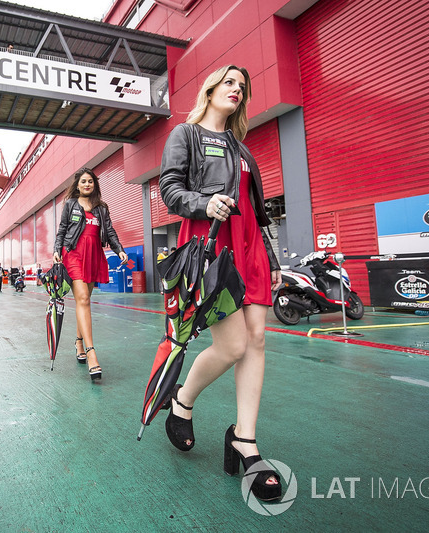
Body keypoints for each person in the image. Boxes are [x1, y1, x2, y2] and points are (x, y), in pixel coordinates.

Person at [158, 65, 282, 501]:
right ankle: (182, 401)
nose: (237, 90)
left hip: (250, 248)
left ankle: (245, 440)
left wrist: (271, 257)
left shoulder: (242, 149)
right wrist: (203, 201)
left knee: (258, 340)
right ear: (210, 89)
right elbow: (169, 191)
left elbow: (256, 210)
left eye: (242, 88)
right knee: (231, 346)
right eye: (230, 82)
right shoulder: (185, 135)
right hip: (213, 245)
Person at [53, 167, 127, 381]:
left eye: (91, 182)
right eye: (83, 181)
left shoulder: (101, 208)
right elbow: (62, 229)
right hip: (74, 252)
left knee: (83, 302)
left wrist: (119, 249)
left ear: (95, 185)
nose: (87, 184)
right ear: (77, 185)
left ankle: (78, 342)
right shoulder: (70, 205)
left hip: (94, 254)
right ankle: (92, 352)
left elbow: (110, 231)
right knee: (83, 298)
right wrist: (57, 250)